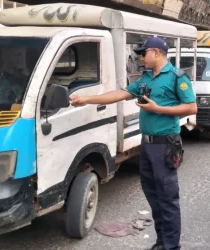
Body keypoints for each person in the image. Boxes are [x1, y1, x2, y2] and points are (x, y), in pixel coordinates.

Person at [70, 37, 197, 250]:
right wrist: (86, 100)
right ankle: (162, 243)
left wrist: (159, 109)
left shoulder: (177, 77)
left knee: (168, 199)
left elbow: (191, 107)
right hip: (146, 145)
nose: (141, 57)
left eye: (144, 52)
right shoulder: (147, 78)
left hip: (165, 144)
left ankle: (172, 247)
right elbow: (121, 93)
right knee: (153, 195)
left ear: (156, 53)